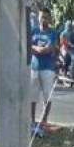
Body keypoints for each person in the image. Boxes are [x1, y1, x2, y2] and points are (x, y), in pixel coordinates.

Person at [30, 8, 59, 137]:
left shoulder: (52, 33)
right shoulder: (34, 31)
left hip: (47, 68)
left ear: (49, 19)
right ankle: (32, 121)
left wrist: (36, 49)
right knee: (32, 96)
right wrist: (39, 49)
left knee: (47, 96)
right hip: (34, 67)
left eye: (46, 17)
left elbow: (48, 49)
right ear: (38, 17)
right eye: (42, 17)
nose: (43, 20)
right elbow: (29, 47)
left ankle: (44, 121)